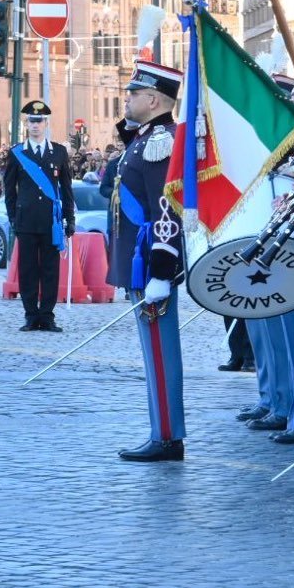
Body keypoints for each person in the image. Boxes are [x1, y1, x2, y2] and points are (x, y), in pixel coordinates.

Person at [108, 61, 187, 462]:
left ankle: (169, 436)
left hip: (151, 259)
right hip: (140, 256)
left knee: (159, 351)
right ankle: (162, 429)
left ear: (153, 98)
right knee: (152, 349)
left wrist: (161, 269)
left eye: (133, 93)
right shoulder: (147, 137)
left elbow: (165, 208)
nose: (127, 98)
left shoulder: (161, 142)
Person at [3, 99, 75, 333]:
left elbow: (66, 189)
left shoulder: (59, 152)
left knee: (50, 270)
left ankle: (47, 315)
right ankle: (31, 315)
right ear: (26, 124)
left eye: (39, 121)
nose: (35, 125)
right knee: (28, 270)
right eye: (31, 121)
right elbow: (9, 190)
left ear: (46, 123)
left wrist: (69, 219)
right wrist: (13, 217)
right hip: (26, 221)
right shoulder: (17, 153)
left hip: (50, 222)